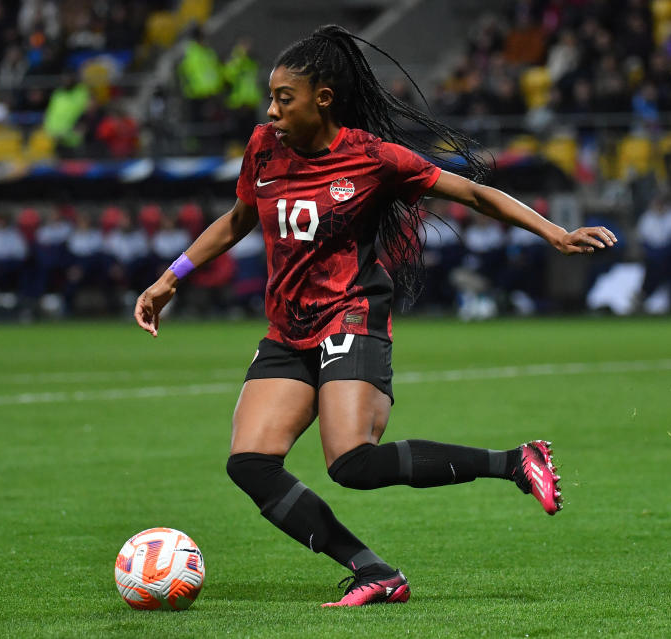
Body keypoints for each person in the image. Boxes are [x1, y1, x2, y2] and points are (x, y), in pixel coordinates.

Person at [134, 25, 617, 607]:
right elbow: (238, 220)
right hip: (289, 329)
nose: (271, 109)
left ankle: (515, 462)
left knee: (353, 462)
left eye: (283, 97)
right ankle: (372, 570)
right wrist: (170, 279)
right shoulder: (264, 145)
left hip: (351, 314)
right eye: (271, 96)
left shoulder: (373, 158)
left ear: (323, 98)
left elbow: (473, 193)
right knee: (250, 463)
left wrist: (556, 234)